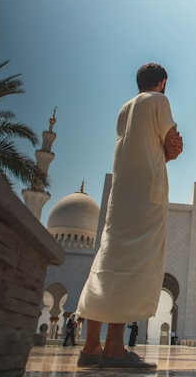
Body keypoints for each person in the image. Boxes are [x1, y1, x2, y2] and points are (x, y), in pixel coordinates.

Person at [76, 63, 183, 369]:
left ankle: (90, 346)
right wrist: (175, 148)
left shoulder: (124, 109)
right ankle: (113, 349)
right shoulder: (159, 101)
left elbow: (145, 145)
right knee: (133, 264)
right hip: (146, 193)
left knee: (108, 262)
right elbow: (171, 145)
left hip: (120, 195)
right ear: (162, 83)